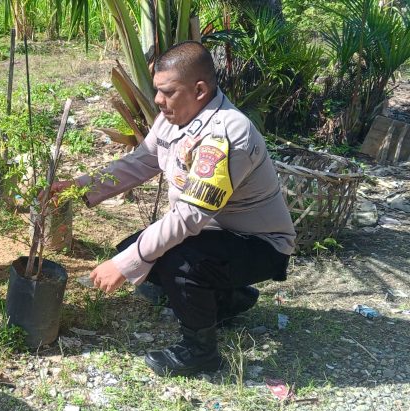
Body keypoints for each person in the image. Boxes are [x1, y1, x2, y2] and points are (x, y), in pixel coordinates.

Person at [50, 41, 296, 377]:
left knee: (174, 262)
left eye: (167, 92)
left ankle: (200, 353)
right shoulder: (173, 118)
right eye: (156, 91)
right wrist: (78, 188)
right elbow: (139, 163)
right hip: (215, 233)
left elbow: (188, 217)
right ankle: (229, 300)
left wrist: (124, 264)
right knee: (136, 250)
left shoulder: (225, 134)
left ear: (199, 89)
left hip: (257, 243)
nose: (158, 101)